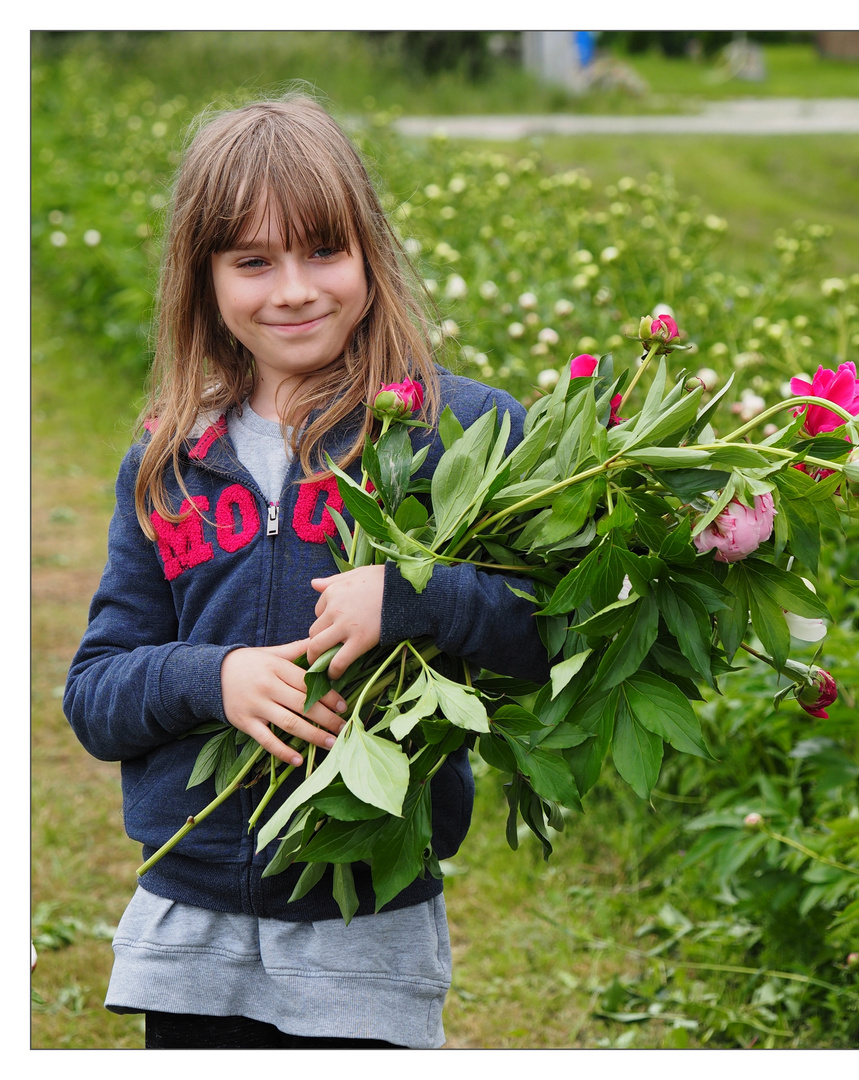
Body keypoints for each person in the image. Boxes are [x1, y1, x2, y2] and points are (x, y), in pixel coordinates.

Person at [64, 94, 550, 1050]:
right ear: (202, 280)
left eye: (322, 252)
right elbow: (94, 692)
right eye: (252, 261)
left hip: (367, 908)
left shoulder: (459, 435)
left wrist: (413, 596)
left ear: (369, 253)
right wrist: (214, 676)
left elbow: (549, 634)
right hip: (193, 916)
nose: (292, 290)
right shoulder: (170, 458)